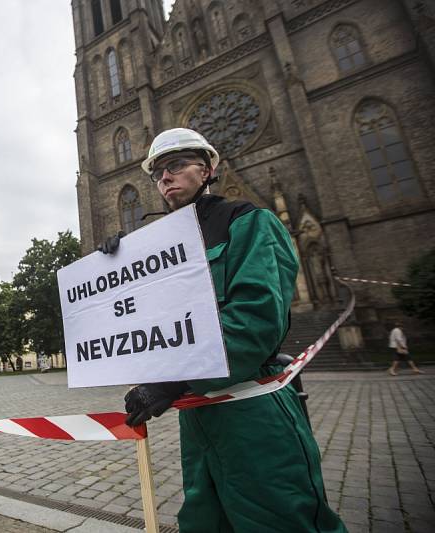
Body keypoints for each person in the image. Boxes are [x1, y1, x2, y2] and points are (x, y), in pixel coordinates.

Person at [101, 128, 345, 532]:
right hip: (198, 419)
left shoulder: (249, 221)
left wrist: (176, 381)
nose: (165, 177)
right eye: (158, 172)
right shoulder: (160, 246)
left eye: (176, 165)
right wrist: (118, 266)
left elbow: (255, 321)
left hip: (251, 406)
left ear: (209, 168)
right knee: (204, 522)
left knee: (279, 519)